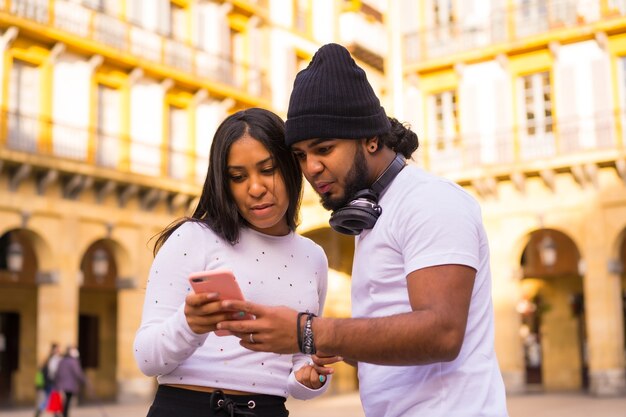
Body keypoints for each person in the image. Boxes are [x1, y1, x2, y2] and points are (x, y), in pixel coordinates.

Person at [216, 44, 509, 417]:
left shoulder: (431, 201)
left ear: (371, 138)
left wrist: (310, 331)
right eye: (301, 155)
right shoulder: (370, 217)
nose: (312, 168)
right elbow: (397, 335)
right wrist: (333, 349)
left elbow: (442, 333)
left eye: (324, 148)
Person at [133, 108, 330, 417]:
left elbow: (299, 363)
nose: (255, 188)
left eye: (268, 170)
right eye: (238, 177)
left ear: (292, 167)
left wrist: (309, 379)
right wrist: (189, 326)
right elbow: (146, 358)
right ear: (224, 184)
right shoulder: (192, 237)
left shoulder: (313, 256)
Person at [54, 346, 86, 417]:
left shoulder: (61, 361)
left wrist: (57, 383)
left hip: (61, 385)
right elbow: (78, 373)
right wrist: (84, 380)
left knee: (64, 401)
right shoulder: (73, 362)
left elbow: (57, 373)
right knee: (67, 402)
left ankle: (60, 413)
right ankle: (65, 414)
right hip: (69, 385)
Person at [34, 343, 62, 417]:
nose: (59, 350)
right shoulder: (53, 359)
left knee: (52, 397)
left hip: (50, 382)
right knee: (49, 398)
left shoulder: (50, 359)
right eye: (57, 349)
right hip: (51, 382)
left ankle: (55, 413)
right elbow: (53, 371)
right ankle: (41, 410)